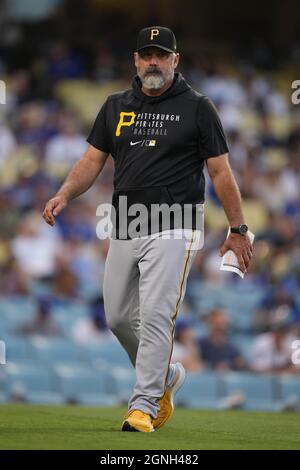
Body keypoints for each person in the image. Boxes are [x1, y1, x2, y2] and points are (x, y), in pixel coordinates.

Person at [43, 26, 253, 432]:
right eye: (146, 55)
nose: (153, 61)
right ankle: (168, 375)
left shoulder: (198, 107)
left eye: (161, 55)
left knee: (156, 314)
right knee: (118, 317)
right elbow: (91, 161)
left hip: (176, 224)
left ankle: (143, 405)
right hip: (125, 223)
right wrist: (65, 194)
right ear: (136, 61)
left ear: (176, 59)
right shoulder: (115, 105)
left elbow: (220, 171)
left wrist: (238, 228)